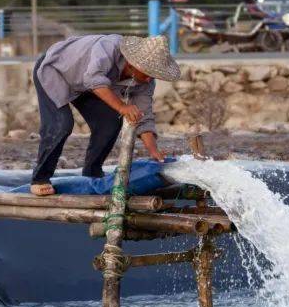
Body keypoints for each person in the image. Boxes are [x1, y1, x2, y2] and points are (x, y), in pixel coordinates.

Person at [30, 33, 181, 196]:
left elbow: (144, 115)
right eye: (146, 74)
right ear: (132, 64)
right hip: (55, 70)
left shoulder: (146, 81)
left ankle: (91, 173)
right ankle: (40, 178)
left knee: (110, 123)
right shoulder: (108, 47)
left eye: (152, 75)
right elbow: (93, 79)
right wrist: (122, 107)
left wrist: (153, 151)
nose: (148, 79)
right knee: (61, 125)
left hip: (87, 85)